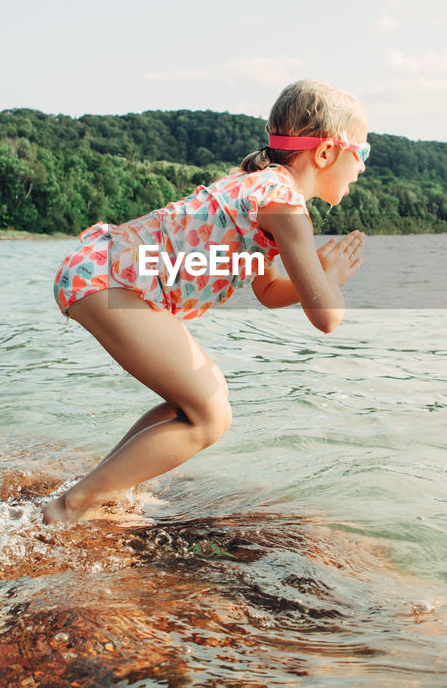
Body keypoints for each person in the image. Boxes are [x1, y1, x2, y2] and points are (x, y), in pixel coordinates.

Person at [43, 79, 369, 524]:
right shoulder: (286, 207)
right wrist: (329, 279)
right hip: (110, 280)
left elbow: (268, 290)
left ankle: (107, 489)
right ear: (327, 153)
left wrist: (319, 279)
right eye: (363, 152)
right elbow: (326, 318)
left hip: (104, 271)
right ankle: (72, 506)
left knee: (196, 403)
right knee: (210, 417)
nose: (363, 167)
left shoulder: (262, 188)